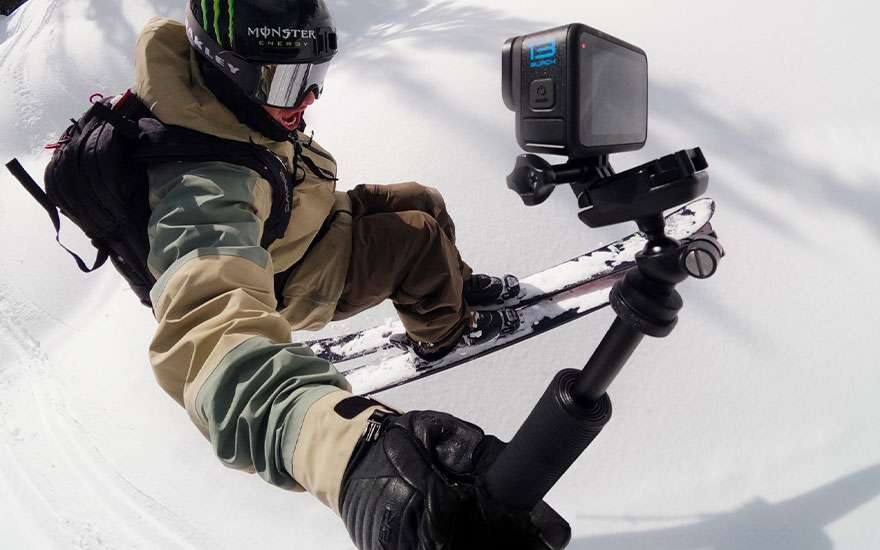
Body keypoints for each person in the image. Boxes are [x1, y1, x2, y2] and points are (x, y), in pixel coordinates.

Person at [136, 0, 569, 547]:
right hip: (293, 278)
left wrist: (284, 97)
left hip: (307, 226)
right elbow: (205, 337)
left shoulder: (220, 99)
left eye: (314, 75)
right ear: (233, 68)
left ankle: (454, 291)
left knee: (423, 200)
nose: (310, 97)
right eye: (293, 80)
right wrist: (348, 454)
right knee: (416, 239)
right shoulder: (203, 186)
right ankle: (443, 333)